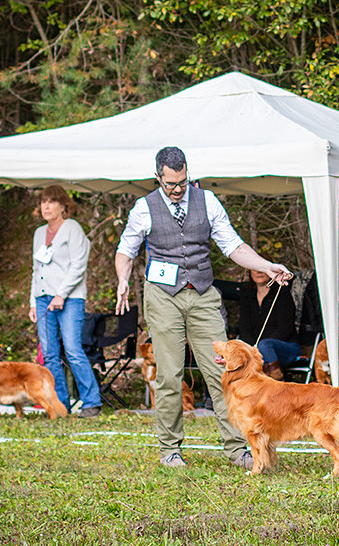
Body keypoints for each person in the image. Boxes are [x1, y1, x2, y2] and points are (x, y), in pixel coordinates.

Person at [115, 147, 293, 468]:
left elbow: (233, 245)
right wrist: (122, 280)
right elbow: (125, 251)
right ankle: (170, 449)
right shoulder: (144, 208)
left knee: (223, 371)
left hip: (202, 293)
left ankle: (238, 448)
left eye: (183, 181)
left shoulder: (207, 201)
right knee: (170, 374)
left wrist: (267, 266)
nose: (178, 189)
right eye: (171, 184)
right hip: (163, 295)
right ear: (158, 178)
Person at [29, 185, 102, 418]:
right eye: (43, 202)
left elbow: (78, 265)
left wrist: (61, 294)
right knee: (50, 354)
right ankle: (60, 406)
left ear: (63, 206)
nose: (46, 206)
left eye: (52, 202)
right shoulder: (39, 233)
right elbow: (36, 269)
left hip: (70, 298)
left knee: (72, 349)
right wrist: (33, 301)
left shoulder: (72, 228)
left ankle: (91, 402)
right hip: (43, 299)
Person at [240, 269, 298, 380]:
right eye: (254, 269)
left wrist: (259, 349)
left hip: (285, 347)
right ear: (250, 272)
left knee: (265, 345)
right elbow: (244, 328)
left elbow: (285, 329)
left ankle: (277, 380)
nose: (258, 272)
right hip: (256, 350)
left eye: (262, 268)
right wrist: (253, 349)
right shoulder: (247, 296)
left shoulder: (282, 293)